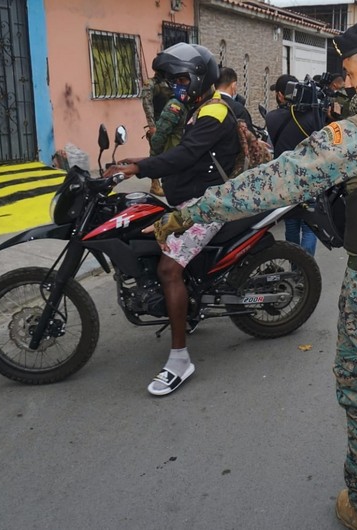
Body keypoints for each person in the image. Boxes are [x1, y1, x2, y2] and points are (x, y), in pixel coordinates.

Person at [149, 16, 357, 530]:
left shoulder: (354, 133)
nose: (347, 85)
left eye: (351, 74)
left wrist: (192, 211)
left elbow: (271, 184)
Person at [105, 42, 240, 396]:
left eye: (182, 78)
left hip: (209, 204)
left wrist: (137, 166)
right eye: (172, 79)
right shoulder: (192, 107)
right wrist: (132, 163)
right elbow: (170, 147)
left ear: (200, 77)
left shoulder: (214, 112)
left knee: (168, 269)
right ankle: (188, 307)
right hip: (188, 199)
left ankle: (180, 359)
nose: (176, 86)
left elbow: (185, 155)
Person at [265, 74, 326, 255]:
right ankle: (306, 270)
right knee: (309, 227)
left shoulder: (271, 118)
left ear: (281, 95)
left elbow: (270, 147)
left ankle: (295, 268)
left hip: (285, 181)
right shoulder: (313, 116)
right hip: (310, 179)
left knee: (291, 226)